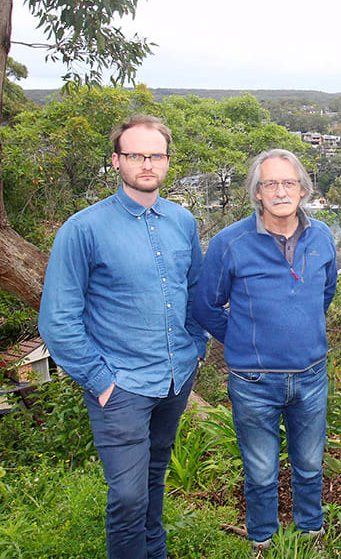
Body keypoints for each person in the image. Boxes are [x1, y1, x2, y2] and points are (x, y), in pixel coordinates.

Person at [38, 115, 207, 559]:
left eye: (156, 155)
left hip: (175, 378)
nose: (146, 163)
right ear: (116, 161)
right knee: (128, 498)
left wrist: (196, 350)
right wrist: (100, 380)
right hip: (121, 385)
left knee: (154, 478)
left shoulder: (181, 221)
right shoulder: (84, 228)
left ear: (167, 161)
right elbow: (58, 318)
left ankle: (156, 552)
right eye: (135, 155)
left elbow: (196, 292)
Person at [192, 149, 337, 556]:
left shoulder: (322, 236)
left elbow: (324, 293)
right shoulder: (230, 243)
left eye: (288, 182)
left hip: (310, 375)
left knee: (309, 466)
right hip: (253, 382)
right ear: (256, 192)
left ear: (303, 189)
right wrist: (241, 338)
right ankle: (262, 541)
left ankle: (311, 535)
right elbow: (206, 305)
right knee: (260, 472)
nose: (280, 191)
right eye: (270, 183)